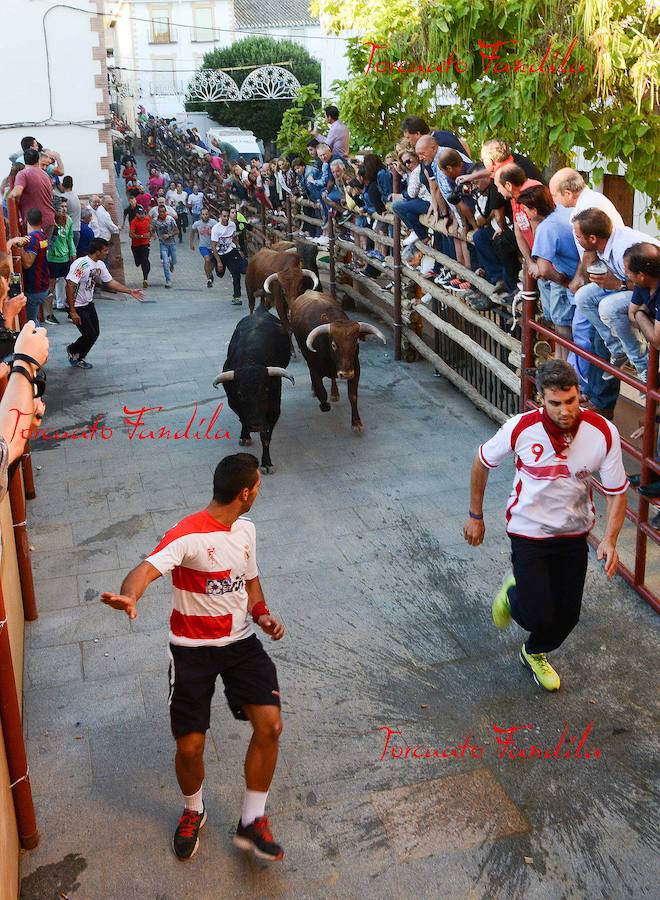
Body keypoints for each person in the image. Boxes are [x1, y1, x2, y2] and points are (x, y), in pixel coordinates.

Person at [100, 453, 286, 863]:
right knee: (189, 748)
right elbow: (145, 570)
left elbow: (250, 584)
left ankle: (251, 821)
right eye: (258, 485)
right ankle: (193, 810)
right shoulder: (186, 536)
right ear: (244, 492)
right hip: (192, 651)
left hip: (240, 644)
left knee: (270, 726)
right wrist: (130, 595)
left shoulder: (246, 530)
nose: (259, 490)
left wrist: (263, 615)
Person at [464, 359, 628, 691]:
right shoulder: (520, 428)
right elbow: (482, 462)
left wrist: (609, 539)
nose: (566, 410)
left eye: (571, 401)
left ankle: (534, 652)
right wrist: (475, 516)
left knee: (568, 616)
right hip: (529, 532)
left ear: (579, 394)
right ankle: (512, 596)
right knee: (538, 613)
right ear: (541, 399)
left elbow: (617, 493)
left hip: (573, 534)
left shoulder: (603, 433)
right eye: (556, 403)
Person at [573, 209, 659, 380]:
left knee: (609, 307)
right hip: (633, 284)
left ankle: (644, 367)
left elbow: (645, 282)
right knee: (583, 297)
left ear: (592, 238)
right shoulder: (602, 245)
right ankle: (618, 349)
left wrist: (619, 285)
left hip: (649, 287)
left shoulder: (623, 251)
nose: (577, 240)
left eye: (578, 237)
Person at [517, 184, 580, 359]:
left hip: (566, 278)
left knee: (562, 326)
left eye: (526, 210)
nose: (526, 215)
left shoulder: (546, 228)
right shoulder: (564, 212)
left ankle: (563, 364)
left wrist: (561, 280)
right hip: (578, 274)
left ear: (535, 210)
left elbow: (544, 269)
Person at [66, 237, 143, 369]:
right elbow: (70, 286)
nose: (107, 253)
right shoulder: (81, 264)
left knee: (95, 333)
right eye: (105, 250)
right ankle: (76, 353)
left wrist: (129, 291)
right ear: (97, 252)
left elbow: (111, 282)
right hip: (77, 306)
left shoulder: (100, 265)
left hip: (88, 304)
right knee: (89, 334)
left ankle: (75, 351)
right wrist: (72, 311)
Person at [9, 148, 55, 239]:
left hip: (35, 223)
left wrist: (9, 197)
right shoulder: (45, 175)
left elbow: (17, 192)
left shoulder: (23, 174)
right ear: (38, 160)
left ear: (24, 160)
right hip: (49, 220)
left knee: (32, 252)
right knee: (44, 251)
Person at [16, 208, 50, 324]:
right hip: (42, 285)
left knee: (31, 322)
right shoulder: (42, 235)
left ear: (26, 221)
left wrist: (19, 247)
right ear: (41, 221)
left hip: (34, 288)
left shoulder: (33, 238)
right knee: (34, 319)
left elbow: (27, 263)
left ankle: (39, 341)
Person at [46, 201, 76, 324]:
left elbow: (70, 238)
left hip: (65, 258)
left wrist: (73, 251)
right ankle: (49, 314)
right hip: (52, 258)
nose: (64, 209)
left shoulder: (68, 220)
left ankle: (71, 311)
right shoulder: (50, 221)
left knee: (70, 284)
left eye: (65, 207)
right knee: (51, 286)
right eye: (61, 207)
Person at [211, 208, 243, 305]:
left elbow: (234, 237)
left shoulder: (232, 225)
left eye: (227, 216)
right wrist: (219, 262)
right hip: (218, 254)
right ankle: (214, 271)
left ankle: (237, 296)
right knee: (220, 274)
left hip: (230, 252)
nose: (226, 218)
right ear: (220, 216)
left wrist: (238, 248)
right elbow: (213, 246)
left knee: (236, 274)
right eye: (224, 216)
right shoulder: (216, 229)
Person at [190, 207, 218, 288]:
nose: (205, 216)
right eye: (203, 214)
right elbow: (192, 232)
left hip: (213, 246)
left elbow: (219, 231)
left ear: (209, 214)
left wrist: (212, 232)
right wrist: (191, 243)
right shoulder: (197, 224)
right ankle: (208, 279)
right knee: (207, 259)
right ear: (200, 215)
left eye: (206, 214)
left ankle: (210, 273)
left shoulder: (214, 223)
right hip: (203, 246)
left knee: (212, 263)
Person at [153, 205, 179, 287]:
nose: (162, 213)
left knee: (174, 261)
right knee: (165, 262)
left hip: (172, 243)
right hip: (162, 244)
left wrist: (169, 235)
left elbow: (177, 231)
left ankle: (172, 262)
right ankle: (168, 280)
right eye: (160, 212)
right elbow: (152, 229)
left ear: (166, 212)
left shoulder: (170, 219)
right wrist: (151, 235)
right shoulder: (155, 221)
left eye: (163, 211)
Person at [129, 206, 152, 288]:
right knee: (138, 262)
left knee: (144, 259)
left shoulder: (147, 219)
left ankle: (145, 278)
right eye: (140, 214)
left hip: (145, 244)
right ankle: (144, 265)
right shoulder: (134, 222)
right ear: (136, 214)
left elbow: (150, 230)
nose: (142, 216)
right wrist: (141, 236)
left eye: (143, 214)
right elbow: (131, 234)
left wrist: (151, 234)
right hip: (135, 245)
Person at [57, 176, 81, 247]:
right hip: (77, 230)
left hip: (69, 231)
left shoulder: (63, 198)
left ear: (62, 185)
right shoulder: (75, 196)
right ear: (72, 185)